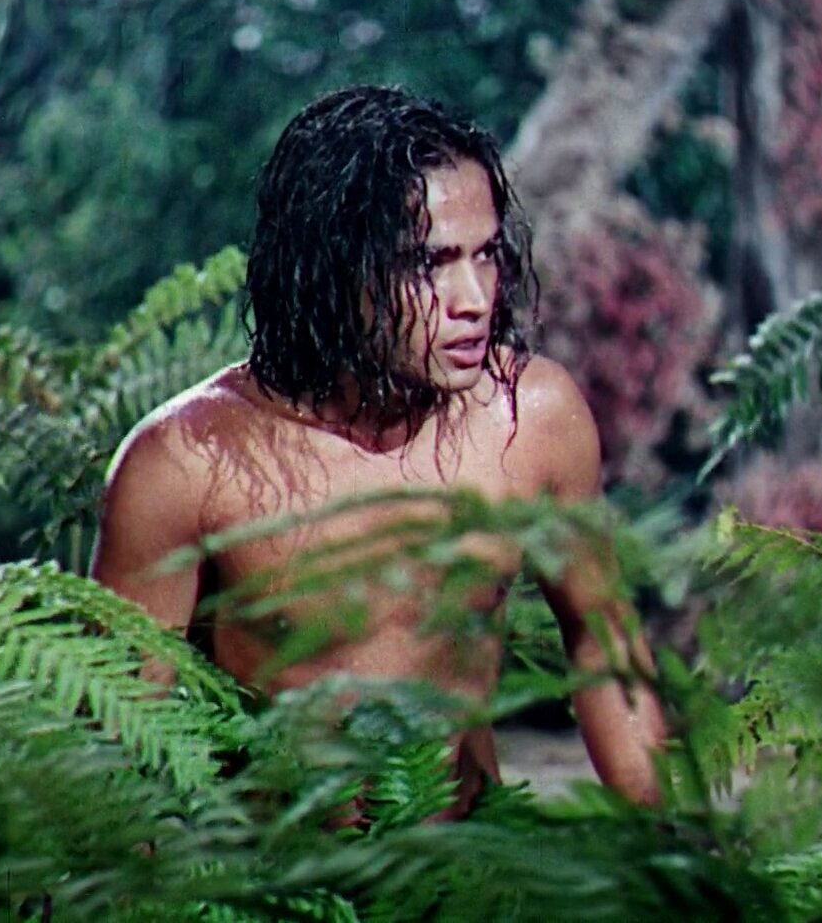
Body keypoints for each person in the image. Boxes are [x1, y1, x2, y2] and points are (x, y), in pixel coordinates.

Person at [92, 84, 667, 819]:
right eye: (430, 263)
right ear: (337, 269)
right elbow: (119, 748)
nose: (474, 299)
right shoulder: (187, 462)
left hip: (470, 865)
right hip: (277, 875)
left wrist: (671, 848)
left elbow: (602, 645)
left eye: (486, 255)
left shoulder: (532, 419)